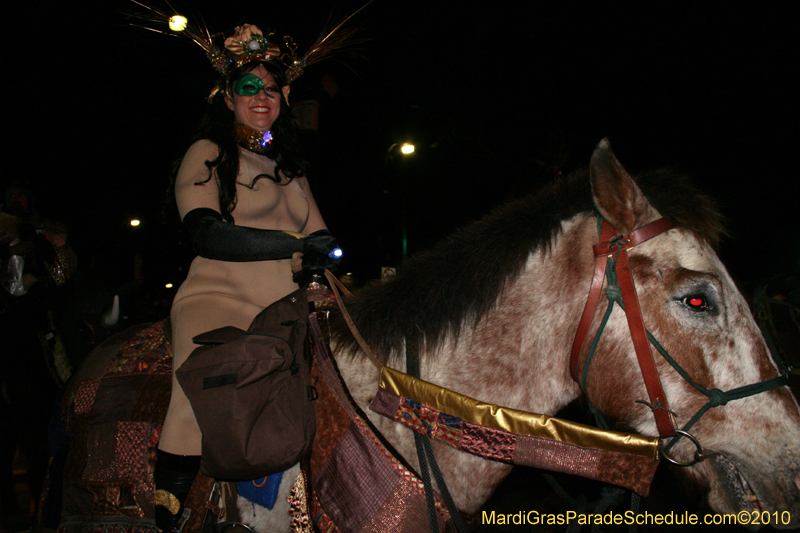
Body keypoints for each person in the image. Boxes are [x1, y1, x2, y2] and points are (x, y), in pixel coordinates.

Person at [152, 23, 341, 533]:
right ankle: (166, 518)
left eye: (271, 88)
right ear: (227, 98)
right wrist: (296, 246)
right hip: (221, 300)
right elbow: (209, 235)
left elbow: (323, 237)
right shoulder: (207, 152)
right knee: (197, 399)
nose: (262, 97)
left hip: (290, 308)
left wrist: (327, 260)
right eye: (249, 88)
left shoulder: (291, 169)